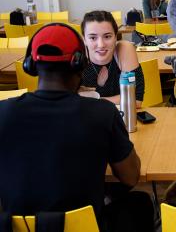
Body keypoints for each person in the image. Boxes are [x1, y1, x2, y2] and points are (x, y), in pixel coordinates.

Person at [0, 23, 154, 231]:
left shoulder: (4, 112)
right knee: (139, 202)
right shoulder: (102, 113)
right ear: (80, 64)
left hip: (19, 227)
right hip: (85, 226)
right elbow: (130, 177)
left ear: (31, 65)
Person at [81, 10, 144, 108]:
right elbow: (68, 100)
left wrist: (93, 99)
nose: (101, 45)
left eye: (107, 36)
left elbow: (136, 100)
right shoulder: (78, 58)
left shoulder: (124, 49)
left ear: (115, 37)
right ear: (84, 40)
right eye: (93, 38)